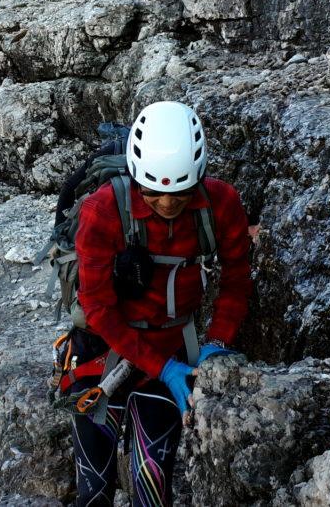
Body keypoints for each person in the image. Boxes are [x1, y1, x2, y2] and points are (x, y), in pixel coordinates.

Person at [67, 101, 253, 506]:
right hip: (102, 351)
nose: (167, 205)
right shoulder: (102, 210)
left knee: (153, 490)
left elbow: (237, 280)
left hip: (172, 349)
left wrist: (217, 344)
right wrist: (166, 368)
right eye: (154, 194)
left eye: (180, 195)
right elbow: (97, 307)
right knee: (93, 490)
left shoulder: (221, 204)